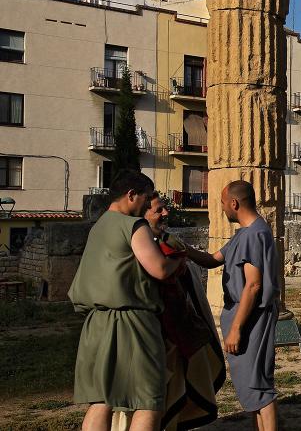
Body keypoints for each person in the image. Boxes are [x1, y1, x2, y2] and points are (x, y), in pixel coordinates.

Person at [68, 171, 185, 431]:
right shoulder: (133, 225)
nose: (147, 205)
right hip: (132, 323)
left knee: (102, 401)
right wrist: (179, 261)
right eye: (146, 198)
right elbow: (159, 269)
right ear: (131, 195)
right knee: (148, 401)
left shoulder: (98, 226)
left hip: (96, 324)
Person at [114, 194, 226, 431]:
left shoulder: (168, 244)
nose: (166, 214)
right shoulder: (130, 251)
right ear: (142, 214)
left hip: (174, 341)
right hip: (146, 340)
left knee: (168, 403)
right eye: (159, 210)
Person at [185, 181, 280, 430]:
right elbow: (212, 260)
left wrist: (237, 327)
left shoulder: (255, 234)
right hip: (243, 314)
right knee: (251, 383)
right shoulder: (244, 234)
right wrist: (182, 249)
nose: (223, 209)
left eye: (223, 203)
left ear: (234, 204)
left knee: (259, 384)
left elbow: (253, 285)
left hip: (251, 317)